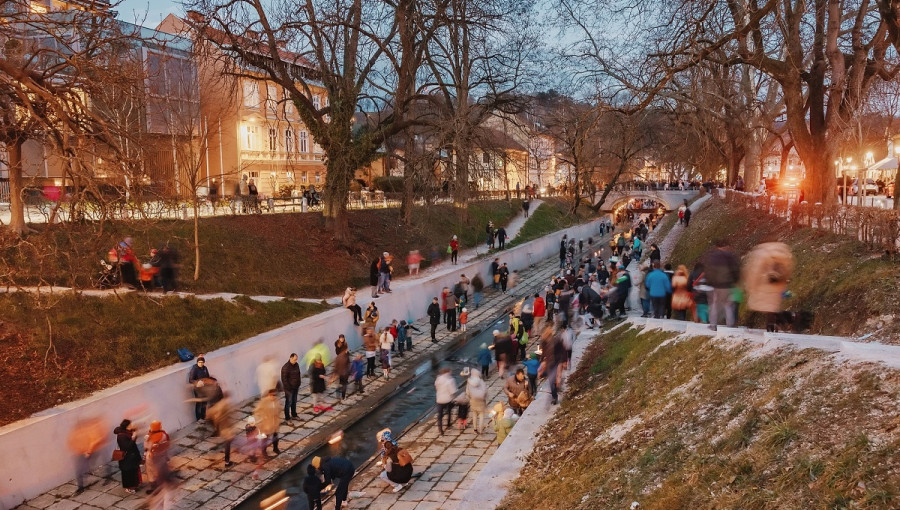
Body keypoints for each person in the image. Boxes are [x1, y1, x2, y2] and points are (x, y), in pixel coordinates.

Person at [743, 242, 794, 332]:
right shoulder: (784, 253)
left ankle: (749, 324)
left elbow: (756, 271)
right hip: (777, 285)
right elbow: (788, 270)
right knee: (772, 308)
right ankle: (771, 327)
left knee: (755, 305)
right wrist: (783, 286)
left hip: (764, 284)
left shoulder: (762, 253)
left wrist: (751, 285)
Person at [703, 239, 741, 329]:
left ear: (717, 247)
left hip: (717, 285)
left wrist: (709, 282)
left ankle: (713, 325)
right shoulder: (731, 256)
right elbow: (736, 270)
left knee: (714, 305)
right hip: (728, 284)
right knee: (728, 305)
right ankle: (730, 324)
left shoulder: (713, 257)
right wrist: (735, 280)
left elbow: (709, 271)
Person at [67, 417, 106, 494]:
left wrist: (88, 451)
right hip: (79, 454)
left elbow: (93, 441)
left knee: (82, 469)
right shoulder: (76, 434)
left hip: (85, 453)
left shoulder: (86, 433)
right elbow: (70, 443)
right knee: (79, 471)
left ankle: (82, 484)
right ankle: (80, 486)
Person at [206, 392, 237, 467]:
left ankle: (214, 453)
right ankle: (227, 462)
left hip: (222, 427)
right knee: (228, 443)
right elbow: (223, 416)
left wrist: (214, 424)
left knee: (227, 442)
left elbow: (209, 413)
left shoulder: (219, 404)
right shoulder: (225, 405)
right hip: (225, 428)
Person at [113, 419, 141, 493]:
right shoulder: (121, 436)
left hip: (132, 456)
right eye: (130, 424)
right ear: (127, 426)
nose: (131, 425)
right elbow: (127, 447)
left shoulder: (127, 432)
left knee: (133, 471)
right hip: (127, 458)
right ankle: (129, 488)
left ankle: (134, 485)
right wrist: (133, 438)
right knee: (128, 473)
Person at [144, 420, 170, 493]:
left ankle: (155, 486)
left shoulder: (149, 436)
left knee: (151, 472)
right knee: (161, 469)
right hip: (161, 455)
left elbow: (146, 446)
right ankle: (164, 483)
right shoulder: (164, 435)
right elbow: (167, 444)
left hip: (152, 457)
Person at [188, 356, 212, 421]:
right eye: (199, 362)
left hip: (205, 388)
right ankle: (198, 419)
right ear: (197, 362)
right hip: (198, 389)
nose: (200, 364)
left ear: (204, 363)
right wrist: (197, 382)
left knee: (205, 402)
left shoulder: (205, 368)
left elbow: (207, 377)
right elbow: (190, 380)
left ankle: (203, 417)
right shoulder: (194, 369)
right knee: (199, 403)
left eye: (202, 362)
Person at [434, 368, 457, 435]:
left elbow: (436, 387)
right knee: (449, 412)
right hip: (447, 400)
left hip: (439, 399)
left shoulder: (438, 379)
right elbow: (452, 391)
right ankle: (448, 424)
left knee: (440, 415)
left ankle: (440, 429)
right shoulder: (450, 380)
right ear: (448, 372)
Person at [280, 353, 302, 421]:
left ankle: (294, 415)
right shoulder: (285, 367)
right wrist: (289, 388)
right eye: (295, 359)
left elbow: (298, 374)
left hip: (296, 387)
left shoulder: (296, 365)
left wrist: (299, 382)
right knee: (288, 402)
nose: (296, 361)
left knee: (294, 401)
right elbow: (284, 380)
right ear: (291, 358)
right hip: (289, 389)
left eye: (296, 359)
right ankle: (287, 418)